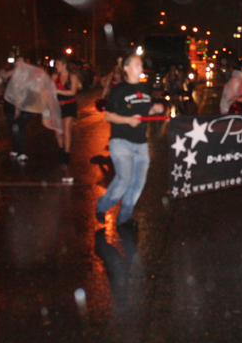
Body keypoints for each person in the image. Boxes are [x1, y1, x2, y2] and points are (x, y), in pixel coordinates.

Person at [96, 54, 165, 226]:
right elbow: (108, 115)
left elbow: (145, 111)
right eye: (136, 65)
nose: (140, 68)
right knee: (124, 178)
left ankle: (125, 216)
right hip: (121, 141)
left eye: (141, 65)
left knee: (138, 182)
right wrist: (128, 120)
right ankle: (103, 206)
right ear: (126, 69)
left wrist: (155, 109)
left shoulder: (145, 89)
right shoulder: (119, 90)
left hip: (141, 143)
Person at [54, 58, 82, 164]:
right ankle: (61, 148)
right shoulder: (55, 77)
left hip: (69, 105)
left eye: (58, 63)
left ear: (64, 64)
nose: (56, 66)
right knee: (57, 132)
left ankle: (66, 153)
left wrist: (56, 90)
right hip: (58, 106)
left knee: (66, 129)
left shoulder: (72, 76)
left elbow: (72, 92)